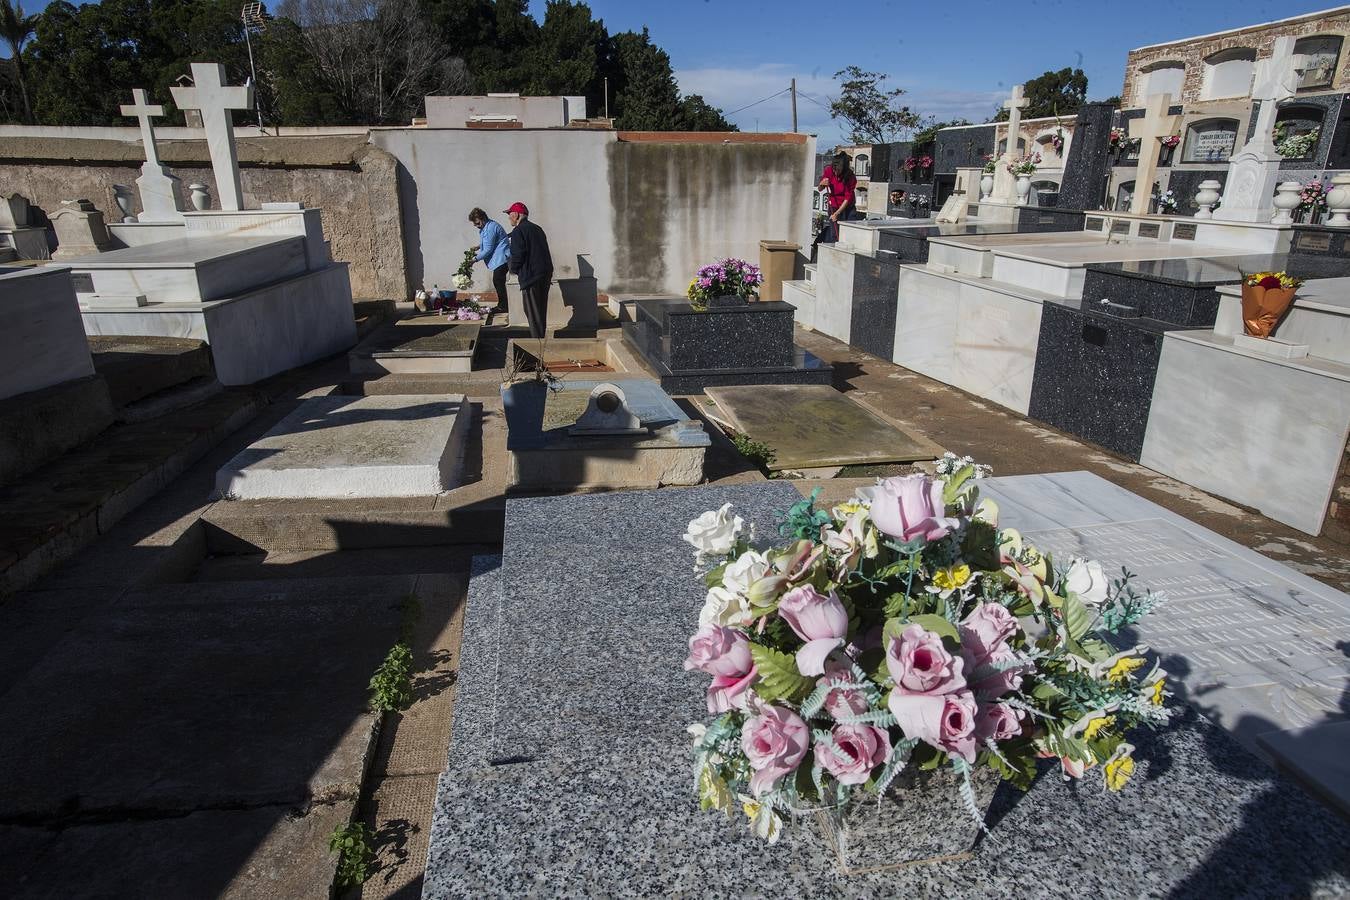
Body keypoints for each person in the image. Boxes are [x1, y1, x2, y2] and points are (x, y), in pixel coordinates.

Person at [504, 201, 553, 339]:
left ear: (517, 215)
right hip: (544, 274)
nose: (509, 217)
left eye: (510, 214)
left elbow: (518, 254)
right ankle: (541, 339)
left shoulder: (518, 231)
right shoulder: (537, 228)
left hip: (531, 277)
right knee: (540, 311)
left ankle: (538, 344)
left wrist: (513, 269)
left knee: (533, 313)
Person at [468, 207, 510, 313]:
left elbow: (488, 249)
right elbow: (489, 242)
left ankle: (503, 306)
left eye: (477, 223)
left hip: (501, 258)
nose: (476, 226)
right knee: (498, 281)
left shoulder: (490, 228)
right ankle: (503, 305)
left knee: (498, 281)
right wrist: (479, 246)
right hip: (499, 258)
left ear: (482, 218)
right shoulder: (488, 226)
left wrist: (474, 260)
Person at [816, 152, 858, 243]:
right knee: (835, 233)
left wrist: (837, 213)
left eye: (838, 170)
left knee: (850, 231)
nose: (835, 172)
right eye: (834, 169)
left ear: (843, 167)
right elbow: (820, 189)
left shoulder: (850, 176)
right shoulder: (829, 171)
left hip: (848, 207)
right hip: (834, 205)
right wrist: (821, 184)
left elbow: (847, 198)